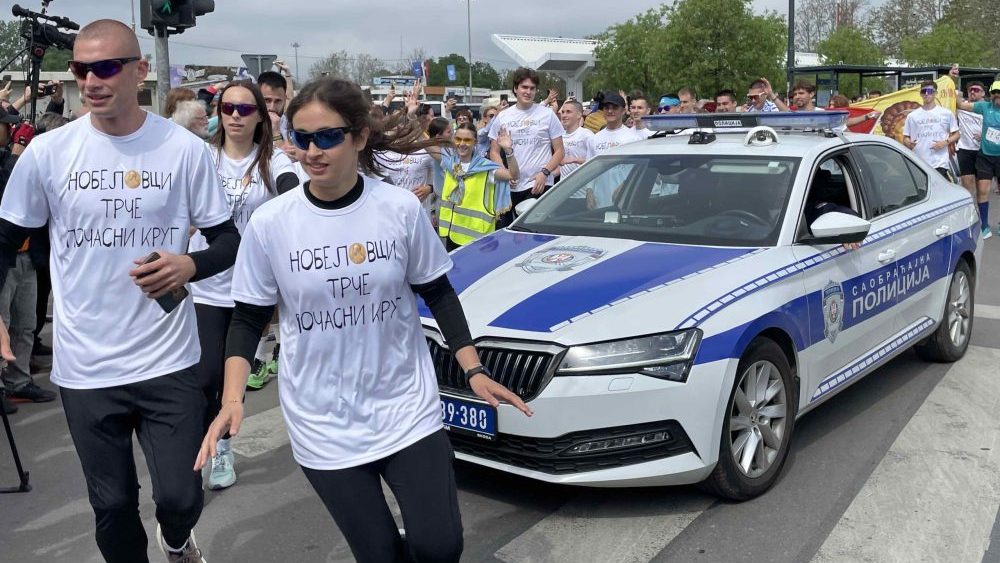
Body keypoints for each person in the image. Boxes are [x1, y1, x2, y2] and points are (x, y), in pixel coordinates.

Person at [196, 77, 532, 563]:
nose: (312, 151)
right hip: (322, 422)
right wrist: (231, 401)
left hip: (405, 409)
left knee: (440, 547)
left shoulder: (397, 209)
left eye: (328, 137)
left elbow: (436, 289)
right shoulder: (272, 224)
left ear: (358, 137)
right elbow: (247, 319)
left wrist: (474, 370)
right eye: (302, 137)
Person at [0, 19, 239, 562]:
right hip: (87, 366)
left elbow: (228, 241)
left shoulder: (183, 150)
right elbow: (5, 238)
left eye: (106, 67)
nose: (91, 80)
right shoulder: (47, 152)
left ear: (140, 71)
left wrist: (189, 265)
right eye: (81, 69)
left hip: (168, 360)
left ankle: (177, 540)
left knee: (180, 496)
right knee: (111, 507)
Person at [188, 80, 297, 490]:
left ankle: (222, 450)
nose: (235, 115)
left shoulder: (274, 162)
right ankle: (201, 442)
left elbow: (291, 194)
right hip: (205, 287)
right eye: (228, 107)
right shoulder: (202, 156)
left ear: (259, 117)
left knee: (231, 379)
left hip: (248, 290)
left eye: (245, 109)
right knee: (202, 377)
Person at [488, 67, 565, 227]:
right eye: (524, 87)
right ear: (515, 89)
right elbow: (494, 152)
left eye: (532, 88)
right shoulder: (503, 117)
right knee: (513, 234)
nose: (528, 92)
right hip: (512, 187)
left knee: (537, 234)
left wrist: (544, 173)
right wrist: (505, 173)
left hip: (539, 185)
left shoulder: (547, 114)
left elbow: (559, 151)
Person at [439, 123, 518, 249]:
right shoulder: (450, 165)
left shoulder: (485, 168)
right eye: (458, 139)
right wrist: (412, 118)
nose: (462, 144)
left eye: (467, 140)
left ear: (475, 142)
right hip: (452, 236)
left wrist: (508, 151)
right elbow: (426, 145)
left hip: (480, 239)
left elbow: (512, 175)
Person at [957, 79, 1000, 239]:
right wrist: (951, 82)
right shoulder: (984, 107)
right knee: (983, 190)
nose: (997, 96)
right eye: (995, 92)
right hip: (986, 156)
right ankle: (984, 225)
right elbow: (961, 105)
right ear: (991, 93)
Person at [902, 80, 960, 181]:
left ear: (935, 93)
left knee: (939, 191)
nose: (927, 94)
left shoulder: (946, 113)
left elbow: (957, 134)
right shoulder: (912, 116)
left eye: (930, 91)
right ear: (920, 94)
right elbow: (905, 137)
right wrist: (908, 143)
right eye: (924, 91)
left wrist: (945, 142)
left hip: (939, 162)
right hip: (919, 161)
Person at [956, 82, 987, 208]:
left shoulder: (989, 107)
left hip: (983, 151)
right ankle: (971, 217)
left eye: (976, 90)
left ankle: (983, 221)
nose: (973, 92)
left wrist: (984, 135)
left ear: (983, 93)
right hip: (965, 149)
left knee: (982, 189)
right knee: (967, 186)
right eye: (970, 90)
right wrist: (951, 77)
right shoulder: (962, 106)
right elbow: (954, 95)